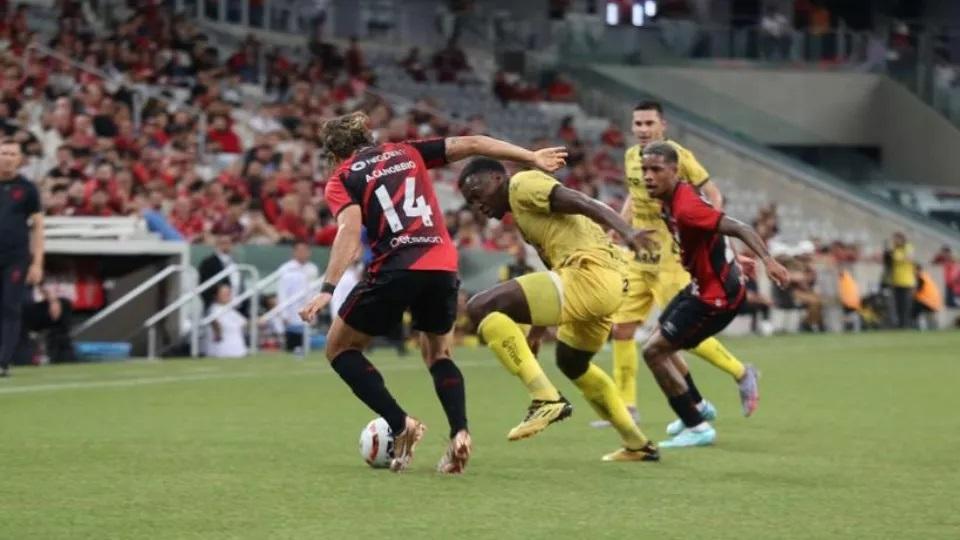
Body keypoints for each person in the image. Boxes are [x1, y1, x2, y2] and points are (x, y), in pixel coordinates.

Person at [298, 112, 566, 473]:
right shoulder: (407, 152)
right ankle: (460, 434)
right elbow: (473, 143)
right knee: (439, 353)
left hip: (396, 265)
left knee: (339, 348)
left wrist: (328, 288)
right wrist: (530, 157)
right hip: (441, 263)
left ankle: (400, 423)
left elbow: (349, 230)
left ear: (334, 151)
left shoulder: (343, 177)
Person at [459, 157, 660, 463]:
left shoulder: (522, 184)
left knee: (480, 307)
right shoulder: (524, 215)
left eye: (477, 193)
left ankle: (544, 399)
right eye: (469, 201)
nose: (477, 205)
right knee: (572, 363)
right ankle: (637, 444)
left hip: (589, 275)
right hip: (606, 284)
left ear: (497, 178)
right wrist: (538, 329)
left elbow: (581, 201)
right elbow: (552, 266)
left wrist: (628, 232)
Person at [603, 101, 759, 433]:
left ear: (663, 126)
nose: (643, 129)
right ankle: (627, 407)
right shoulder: (633, 157)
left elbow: (714, 197)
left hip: (672, 260)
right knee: (622, 329)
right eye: (638, 124)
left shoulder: (678, 157)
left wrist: (719, 247)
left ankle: (740, 372)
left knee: (680, 332)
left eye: (649, 123)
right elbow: (634, 196)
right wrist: (619, 228)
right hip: (637, 257)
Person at [640, 142, 789, 448]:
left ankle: (698, 428)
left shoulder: (685, 206)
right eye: (644, 170)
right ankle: (696, 407)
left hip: (715, 298)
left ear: (674, 171)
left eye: (656, 169)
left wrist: (767, 260)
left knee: (653, 352)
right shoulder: (669, 200)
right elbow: (714, 230)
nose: (648, 176)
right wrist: (734, 258)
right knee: (658, 341)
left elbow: (737, 226)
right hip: (701, 286)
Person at [0, 139, 44, 378]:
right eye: (3, 153)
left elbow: (38, 226)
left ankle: (3, 361)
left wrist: (37, 263)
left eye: (12, 154)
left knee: (10, 307)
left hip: (15, 258)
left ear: (19, 159)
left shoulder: (27, 189)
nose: (7, 158)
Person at [277, 241, 320, 352]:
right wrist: (284, 315)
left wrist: (316, 310)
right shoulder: (286, 269)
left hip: (309, 310)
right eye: (300, 251)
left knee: (308, 345)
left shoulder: (313, 268)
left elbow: (316, 292)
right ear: (294, 252)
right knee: (293, 346)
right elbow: (282, 293)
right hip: (292, 313)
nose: (303, 253)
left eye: (305, 251)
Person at [198, 235, 241, 311]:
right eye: (223, 243)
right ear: (217, 245)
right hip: (217, 306)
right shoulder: (208, 262)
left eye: (229, 243)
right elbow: (204, 284)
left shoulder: (234, 262)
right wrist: (217, 295)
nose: (226, 246)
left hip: (237, 304)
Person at [205, 284, 248, 358]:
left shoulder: (231, 310)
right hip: (222, 351)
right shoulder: (213, 309)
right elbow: (215, 324)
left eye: (228, 293)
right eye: (224, 294)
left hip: (238, 351)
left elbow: (245, 323)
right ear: (215, 295)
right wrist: (218, 332)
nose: (227, 296)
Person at [886, 232, 916, 329]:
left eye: (896, 239)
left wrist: (899, 257)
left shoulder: (907, 247)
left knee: (906, 305)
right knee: (898, 305)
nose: (894, 241)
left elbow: (910, 258)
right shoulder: (894, 249)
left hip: (906, 281)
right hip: (896, 281)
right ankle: (900, 324)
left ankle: (906, 324)